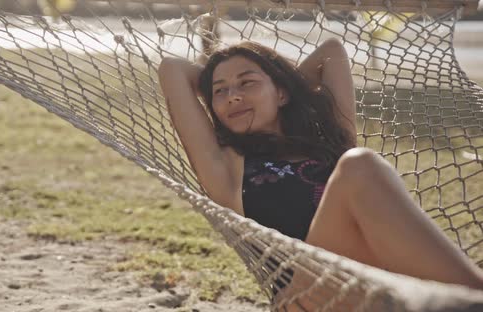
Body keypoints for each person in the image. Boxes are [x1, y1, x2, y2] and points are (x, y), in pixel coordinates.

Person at [157, 38, 483, 306]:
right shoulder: (225, 165)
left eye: (246, 83)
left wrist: (277, 81)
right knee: (360, 165)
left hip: (378, 279)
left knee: (357, 164)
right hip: (307, 297)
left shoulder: (330, 143)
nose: (234, 96)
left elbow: (332, 51)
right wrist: (255, 84)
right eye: (220, 91)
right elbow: (173, 69)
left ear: (282, 93)